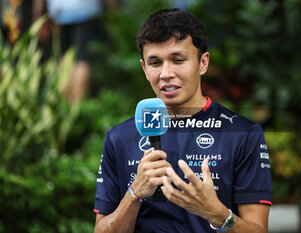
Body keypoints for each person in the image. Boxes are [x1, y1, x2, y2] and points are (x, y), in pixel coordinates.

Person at [94, 8, 272, 233]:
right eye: (155, 63)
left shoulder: (243, 134)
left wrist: (216, 213)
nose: (166, 73)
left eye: (178, 60)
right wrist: (134, 193)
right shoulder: (119, 138)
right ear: (144, 69)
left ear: (203, 63)